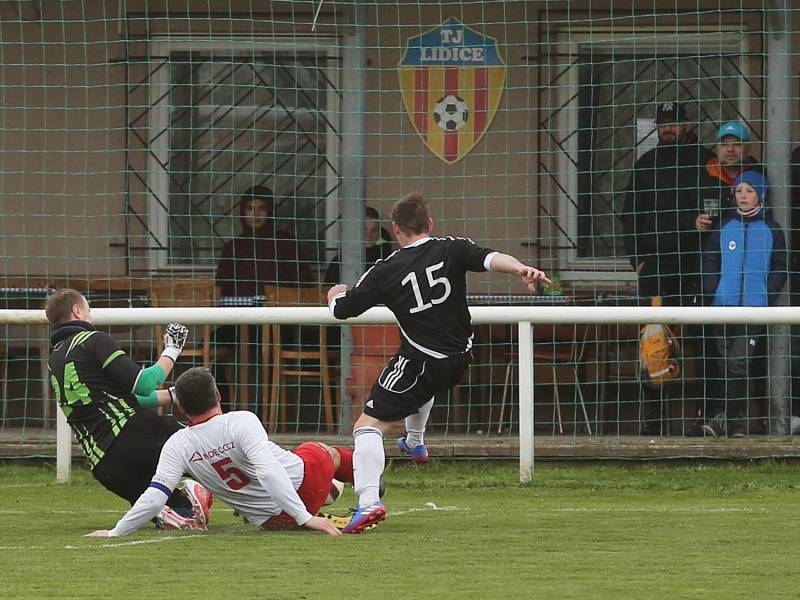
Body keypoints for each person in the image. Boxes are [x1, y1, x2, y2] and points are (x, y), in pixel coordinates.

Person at [327, 192, 550, 533]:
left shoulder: (386, 269)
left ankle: (369, 501)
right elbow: (491, 258)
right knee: (420, 384)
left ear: (395, 229)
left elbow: (344, 310)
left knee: (367, 427)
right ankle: (414, 441)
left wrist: (335, 294)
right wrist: (521, 267)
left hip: (420, 362)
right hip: (459, 360)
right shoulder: (452, 247)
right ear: (429, 224)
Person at [85, 367, 351, 537]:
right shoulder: (242, 420)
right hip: (305, 486)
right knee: (319, 450)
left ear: (181, 409)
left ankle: (333, 491)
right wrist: (305, 517)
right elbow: (268, 471)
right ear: (218, 396)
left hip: (275, 522)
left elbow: (155, 497)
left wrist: (115, 533)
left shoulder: (177, 444)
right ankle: (369, 485)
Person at [46, 288, 211, 529]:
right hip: (131, 436)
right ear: (77, 311)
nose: (91, 317)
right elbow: (143, 384)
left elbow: (125, 399)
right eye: (89, 310)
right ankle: (262, 499)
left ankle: (175, 510)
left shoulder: (54, 360)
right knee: (208, 449)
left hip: (106, 468)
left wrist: (177, 394)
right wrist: (172, 349)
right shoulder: (93, 340)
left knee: (182, 510)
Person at [620, 101, 716, 435]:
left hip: (697, 268)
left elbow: (719, 207)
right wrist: (638, 260)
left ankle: (704, 417)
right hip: (656, 269)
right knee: (654, 343)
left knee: (703, 340)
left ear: (687, 124)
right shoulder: (646, 164)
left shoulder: (707, 162)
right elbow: (629, 216)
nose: (668, 130)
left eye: (674, 123)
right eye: (663, 125)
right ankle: (654, 420)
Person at [701, 171, 787, 437]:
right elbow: (710, 262)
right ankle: (727, 420)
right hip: (723, 308)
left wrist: (763, 295)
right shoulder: (724, 228)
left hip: (753, 310)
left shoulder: (771, 230)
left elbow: (780, 268)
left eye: (749, 191)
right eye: (739, 191)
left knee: (738, 364)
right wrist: (715, 291)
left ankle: (731, 420)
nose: (743, 196)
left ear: (760, 194)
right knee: (724, 364)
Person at [214, 185, 313, 406]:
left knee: (263, 354)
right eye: (250, 208)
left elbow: (305, 286)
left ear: (270, 212)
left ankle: (264, 413)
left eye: (261, 208)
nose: (255, 214)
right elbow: (221, 289)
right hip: (238, 323)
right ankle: (223, 410)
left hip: (280, 325)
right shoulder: (233, 248)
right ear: (242, 211)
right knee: (203, 350)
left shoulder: (286, 244)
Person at [323, 206, 394, 285]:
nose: (369, 235)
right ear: (355, 231)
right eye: (364, 229)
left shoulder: (387, 260)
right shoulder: (339, 262)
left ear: (379, 232)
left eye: (374, 230)